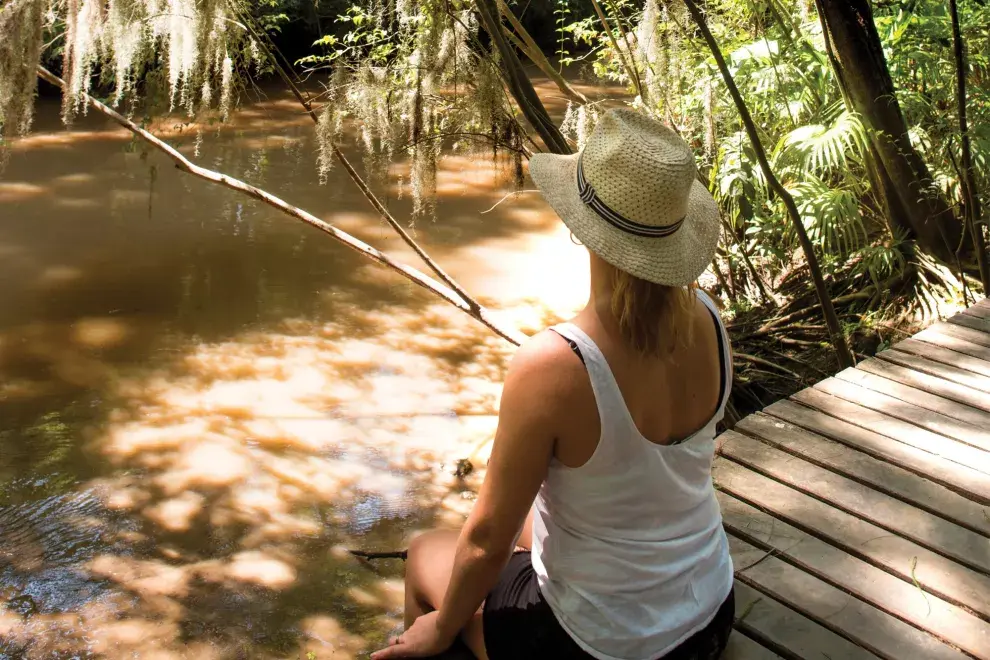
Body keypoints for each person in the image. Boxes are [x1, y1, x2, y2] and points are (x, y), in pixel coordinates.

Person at [371, 108, 734, 660]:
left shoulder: (553, 365)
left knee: (426, 552)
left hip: (596, 646)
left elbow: (486, 539)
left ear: (581, 228)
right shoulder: (711, 320)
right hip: (709, 613)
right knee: (531, 529)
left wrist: (443, 627)